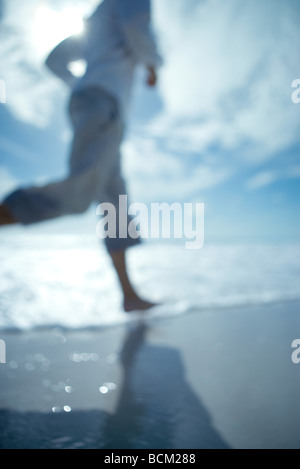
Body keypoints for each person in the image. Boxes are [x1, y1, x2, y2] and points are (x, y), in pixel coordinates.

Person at [0, 0, 162, 313]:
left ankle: (129, 296)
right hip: (104, 103)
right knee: (79, 193)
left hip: (95, 103)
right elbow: (136, 30)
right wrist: (153, 66)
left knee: (115, 205)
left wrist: (80, 84)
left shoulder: (98, 15)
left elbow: (54, 61)